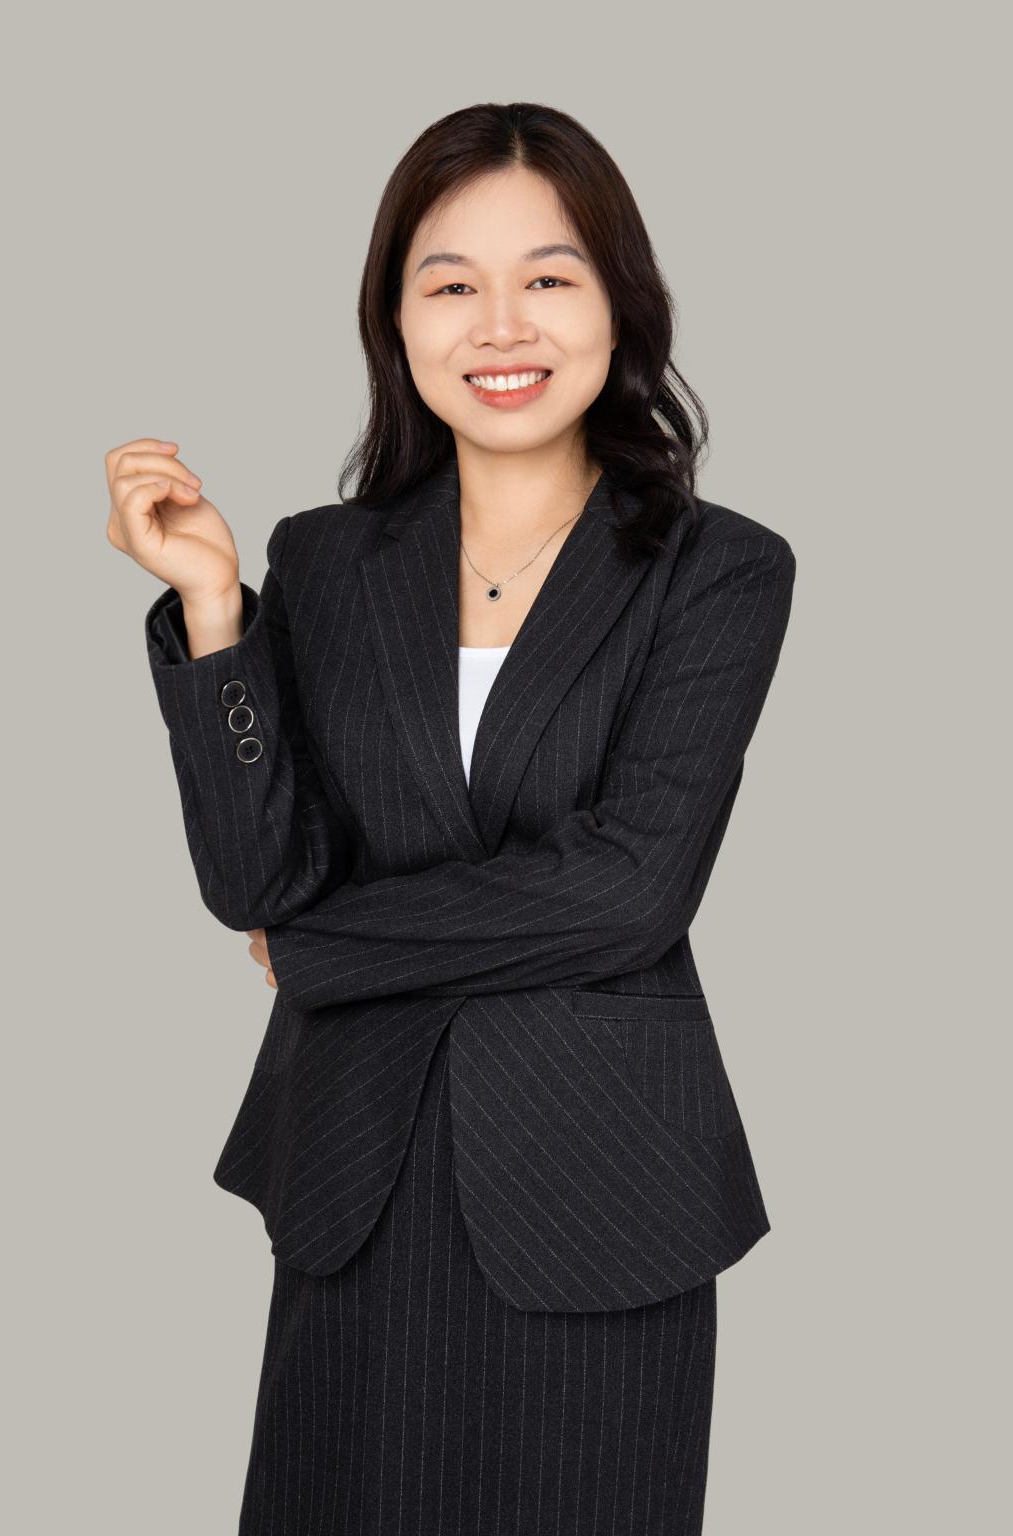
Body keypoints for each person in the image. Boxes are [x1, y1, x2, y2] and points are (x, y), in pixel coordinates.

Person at [107, 101, 796, 1535]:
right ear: (397, 320)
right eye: (451, 284)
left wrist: (324, 953)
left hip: (600, 1193)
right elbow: (259, 879)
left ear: (621, 305)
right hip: (354, 1175)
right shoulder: (325, 562)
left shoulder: (717, 570)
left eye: (549, 277)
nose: (502, 326)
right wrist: (218, 613)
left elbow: (627, 891)